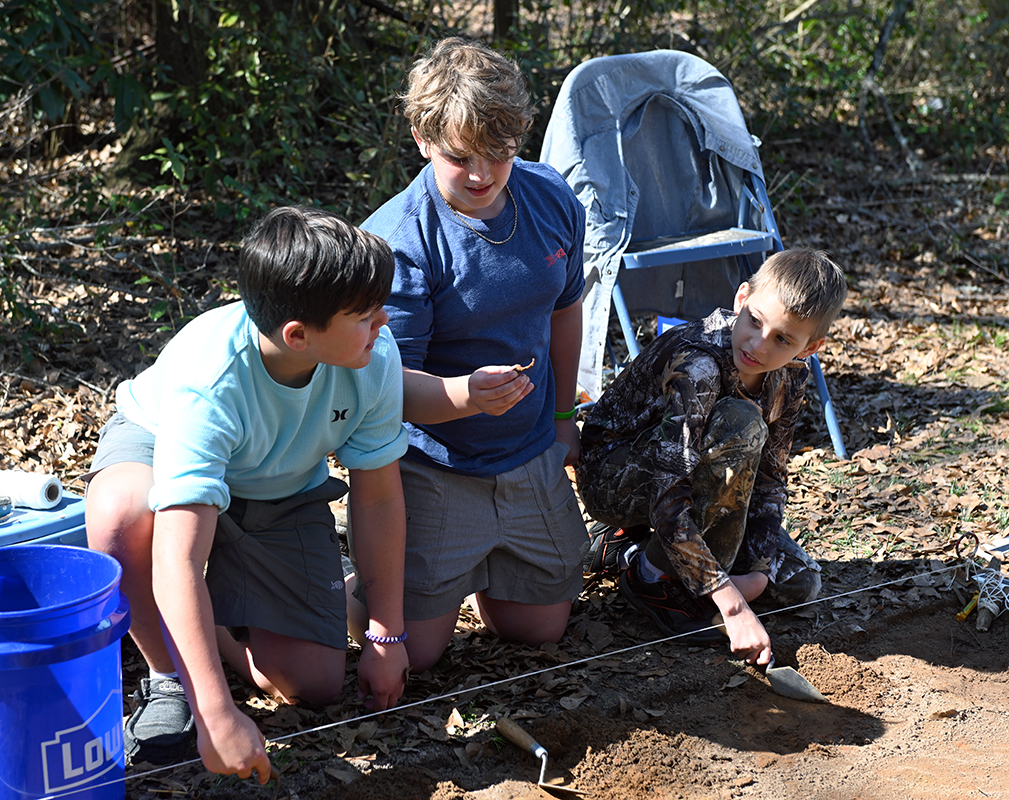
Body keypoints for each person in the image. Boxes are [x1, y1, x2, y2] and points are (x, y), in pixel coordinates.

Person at [83, 206, 410, 781]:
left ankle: (209, 627)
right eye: (363, 313)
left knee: (309, 684)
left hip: (278, 485)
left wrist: (386, 631)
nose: (382, 320)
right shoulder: (210, 378)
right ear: (298, 335)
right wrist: (215, 712)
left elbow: (379, 498)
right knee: (119, 520)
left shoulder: (372, 354)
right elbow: (178, 555)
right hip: (166, 456)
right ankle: (168, 677)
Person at [357, 36, 588, 673]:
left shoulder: (552, 201)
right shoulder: (398, 241)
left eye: (501, 153)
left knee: (538, 631)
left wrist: (563, 419)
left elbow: (566, 310)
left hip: (528, 446)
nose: (483, 174)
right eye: (462, 158)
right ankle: (343, 594)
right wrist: (462, 395)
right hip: (435, 461)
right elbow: (383, 387)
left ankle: (490, 564)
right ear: (422, 137)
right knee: (424, 654)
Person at [575, 248, 848, 665]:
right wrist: (732, 604)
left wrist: (756, 574)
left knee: (800, 583)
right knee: (740, 423)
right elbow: (669, 486)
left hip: (696, 489)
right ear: (741, 298)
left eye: (782, 339)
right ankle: (649, 576)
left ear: (810, 348)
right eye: (755, 321)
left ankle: (630, 548)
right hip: (617, 476)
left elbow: (771, 479)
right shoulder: (699, 364)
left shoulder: (792, 376)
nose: (758, 344)